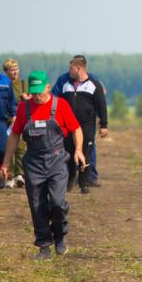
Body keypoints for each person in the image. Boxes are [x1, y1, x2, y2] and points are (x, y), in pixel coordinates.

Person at [1, 71, 86, 260]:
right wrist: (6, 162)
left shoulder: (60, 105)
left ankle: (60, 235)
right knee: (37, 205)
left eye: (40, 91)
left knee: (57, 202)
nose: (37, 96)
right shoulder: (24, 108)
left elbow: (76, 129)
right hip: (34, 162)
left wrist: (79, 150)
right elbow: (14, 135)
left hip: (57, 160)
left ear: (48, 87)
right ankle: (44, 246)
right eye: (33, 92)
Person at [54, 55, 108, 194]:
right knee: (69, 153)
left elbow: (102, 106)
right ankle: (70, 179)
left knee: (86, 153)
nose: (69, 71)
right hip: (68, 125)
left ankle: (84, 183)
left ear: (78, 69)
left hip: (87, 125)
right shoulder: (66, 84)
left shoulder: (94, 85)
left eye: (71, 68)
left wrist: (104, 125)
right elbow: (56, 102)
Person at [3, 58, 30, 188]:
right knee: (7, 147)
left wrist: (27, 98)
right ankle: (8, 176)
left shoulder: (25, 84)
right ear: (6, 72)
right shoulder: (2, 85)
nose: (15, 72)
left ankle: (19, 175)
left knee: (20, 147)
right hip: (5, 120)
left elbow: (34, 98)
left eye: (16, 69)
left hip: (20, 120)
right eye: (12, 70)